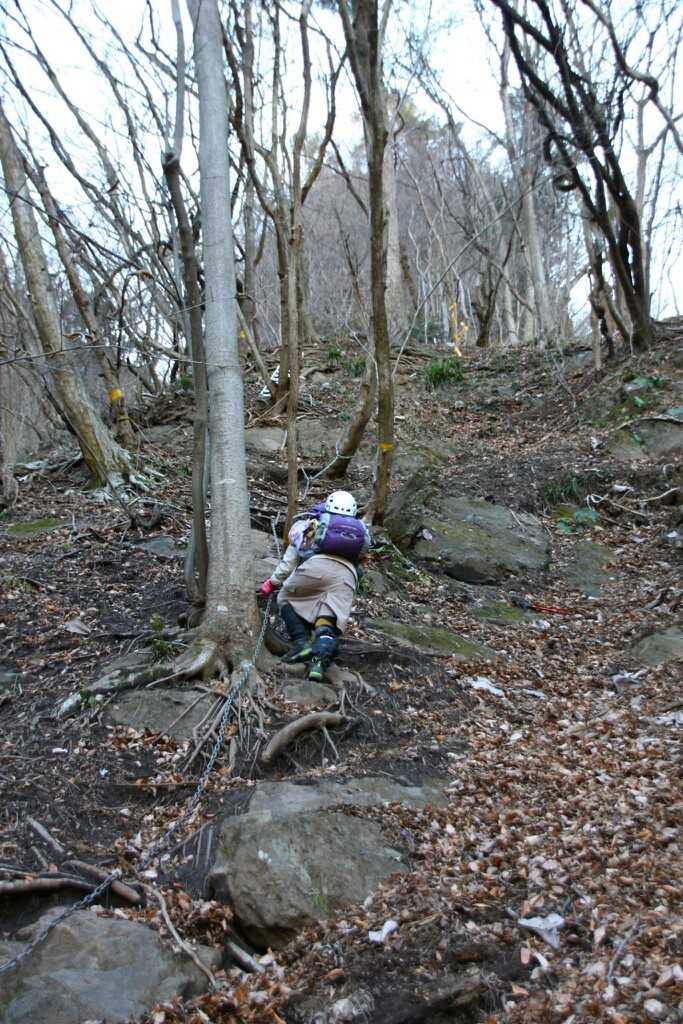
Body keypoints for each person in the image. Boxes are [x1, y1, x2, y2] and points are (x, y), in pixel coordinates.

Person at [260, 491, 371, 681]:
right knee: (328, 615)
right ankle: (318, 664)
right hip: (347, 577)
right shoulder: (360, 531)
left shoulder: (311, 524)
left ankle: (301, 643)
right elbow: (362, 557)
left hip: (315, 568)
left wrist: (272, 583)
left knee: (286, 597)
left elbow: (289, 562)